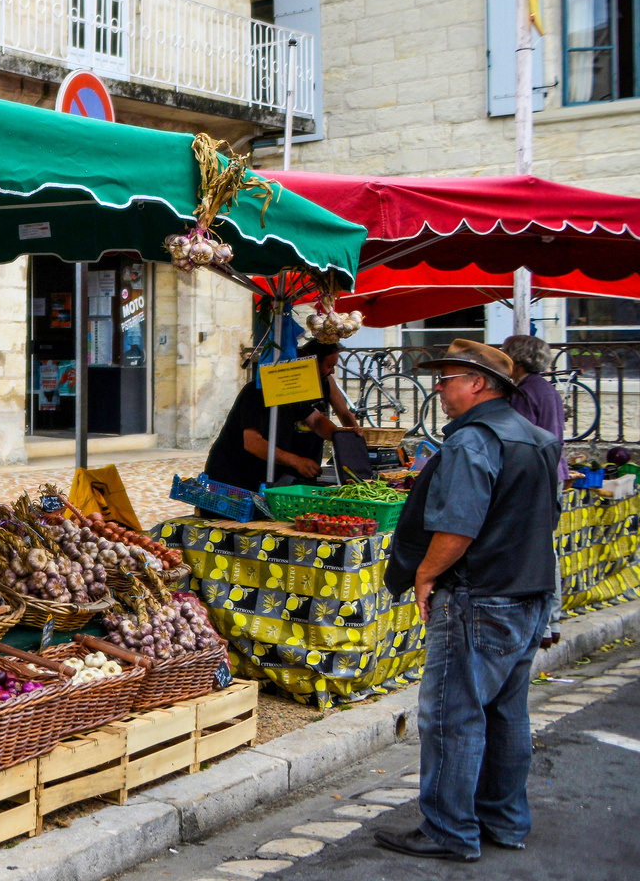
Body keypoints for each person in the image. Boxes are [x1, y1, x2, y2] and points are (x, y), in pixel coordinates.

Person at [377, 339, 561, 862]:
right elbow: (546, 517)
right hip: (527, 591)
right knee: (506, 712)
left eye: (448, 378)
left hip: (481, 594)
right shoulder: (536, 438)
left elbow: (457, 527)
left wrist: (425, 576)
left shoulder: (472, 441)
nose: (439, 387)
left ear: (478, 383)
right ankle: (504, 821)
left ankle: (449, 831)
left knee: (452, 715)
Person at [204, 340, 361, 489]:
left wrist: (341, 436)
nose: (331, 373)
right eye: (328, 366)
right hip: (232, 475)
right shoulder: (255, 393)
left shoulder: (293, 392)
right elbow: (253, 442)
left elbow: (316, 420)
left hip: (262, 475)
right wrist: (296, 461)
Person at [501, 333, 567, 649]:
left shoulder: (525, 392)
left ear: (516, 359)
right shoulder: (546, 389)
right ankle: (550, 622)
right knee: (545, 548)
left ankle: (543, 623)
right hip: (553, 472)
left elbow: (519, 442)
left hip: (537, 477)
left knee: (537, 550)